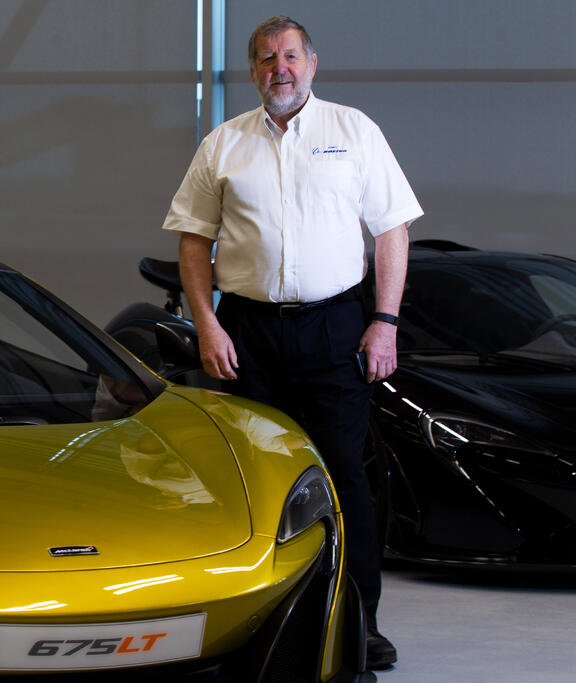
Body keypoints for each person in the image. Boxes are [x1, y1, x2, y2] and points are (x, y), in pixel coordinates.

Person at [161, 15, 422, 671]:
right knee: (249, 479)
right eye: (265, 58)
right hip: (247, 331)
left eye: (290, 55)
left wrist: (384, 321)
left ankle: (360, 622)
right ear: (252, 71)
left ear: (312, 62)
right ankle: (252, 617)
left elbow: (391, 230)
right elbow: (193, 240)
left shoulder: (353, 132)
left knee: (344, 477)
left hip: (335, 328)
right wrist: (208, 322)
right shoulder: (224, 145)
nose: (279, 67)